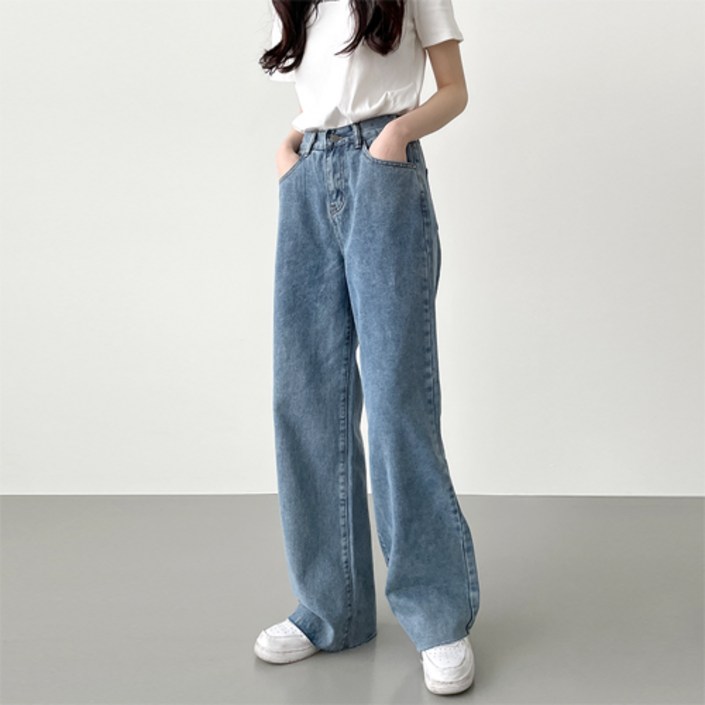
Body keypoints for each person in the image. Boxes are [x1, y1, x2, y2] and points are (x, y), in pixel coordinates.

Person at [254, 0, 480, 695]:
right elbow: (319, 94)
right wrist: (290, 147)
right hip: (308, 175)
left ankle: (437, 616)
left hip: (384, 171)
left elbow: (453, 90)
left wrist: (396, 135)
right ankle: (330, 610)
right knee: (305, 397)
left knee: (396, 399)